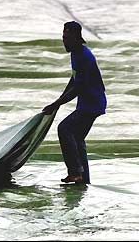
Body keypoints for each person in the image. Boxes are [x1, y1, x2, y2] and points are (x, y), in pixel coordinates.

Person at [42, 21, 107, 184]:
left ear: (77, 37)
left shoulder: (84, 56)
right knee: (77, 138)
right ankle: (83, 179)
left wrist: (56, 104)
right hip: (88, 103)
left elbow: (79, 87)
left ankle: (75, 172)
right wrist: (57, 101)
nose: (64, 41)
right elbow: (73, 80)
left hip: (92, 104)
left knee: (64, 129)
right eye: (63, 37)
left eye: (67, 38)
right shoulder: (75, 53)